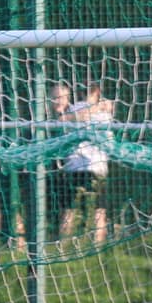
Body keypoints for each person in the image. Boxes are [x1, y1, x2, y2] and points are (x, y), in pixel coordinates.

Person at [57, 82, 112, 244]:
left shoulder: (77, 110)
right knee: (99, 211)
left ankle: (63, 246)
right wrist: (98, 107)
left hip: (77, 167)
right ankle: (98, 246)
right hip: (94, 168)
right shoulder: (102, 112)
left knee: (70, 210)